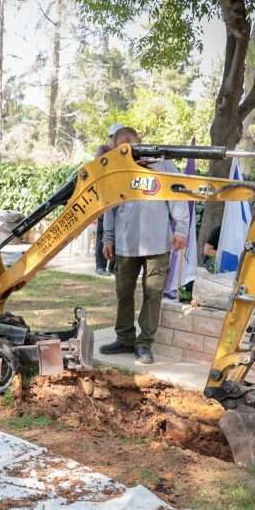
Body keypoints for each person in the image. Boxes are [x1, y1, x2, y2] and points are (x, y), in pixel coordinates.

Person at [99, 126, 189, 364]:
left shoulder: (164, 167)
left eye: (132, 145)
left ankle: (144, 343)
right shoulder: (115, 171)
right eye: (122, 148)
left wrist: (181, 229)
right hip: (125, 245)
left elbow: (178, 198)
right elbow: (109, 208)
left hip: (157, 244)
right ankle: (125, 338)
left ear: (140, 142)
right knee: (123, 293)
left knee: (153, 294)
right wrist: (107, 237)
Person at [93, 143, 115, 275]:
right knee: (103, 233)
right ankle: (100, 266)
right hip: (102, 202)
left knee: (114, 233)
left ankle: (112, 267)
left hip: (113, 200)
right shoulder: (103, 151)